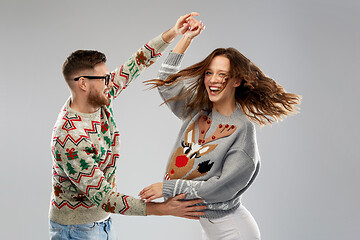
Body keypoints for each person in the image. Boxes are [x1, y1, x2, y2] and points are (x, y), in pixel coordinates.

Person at [49, 13, 207, 240]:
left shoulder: (100, 96)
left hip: (100, 222)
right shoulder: (70, 137)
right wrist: (163, 209)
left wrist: (175, 32)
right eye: (104, 78)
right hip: (76, 230)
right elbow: (103, 197)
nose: (110, 82)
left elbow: (136, 62)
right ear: (83, 83)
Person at [139, 26, 301, 240]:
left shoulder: (242, 128)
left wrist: (167, 188)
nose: (213, 80)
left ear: (237, 80)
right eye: (209, 73)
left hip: (233, 229)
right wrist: (186, 38)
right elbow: (166, 83)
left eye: (222, 75)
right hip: (211, 227)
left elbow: (220, 188)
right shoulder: (197, 110)